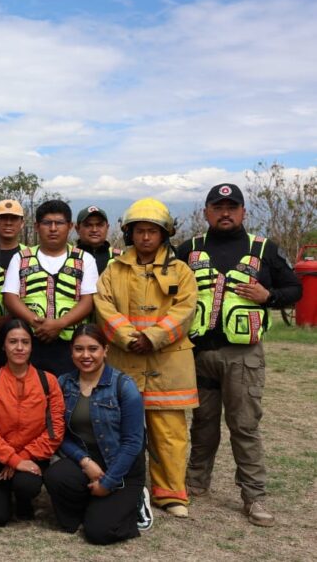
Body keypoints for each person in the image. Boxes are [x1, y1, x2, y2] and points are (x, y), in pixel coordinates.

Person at [177, 183, 301, 527]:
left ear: (244, 212)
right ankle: (196, 482)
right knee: (202, 424)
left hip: (243, 356)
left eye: (232, 207)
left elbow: (295, 289)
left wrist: (268, 296)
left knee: (244, 427)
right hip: (199, 353)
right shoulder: (188, 250)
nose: (225, 213)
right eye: (218, 207)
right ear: (206, 213)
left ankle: (254, 496)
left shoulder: (264, 249)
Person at [94, 198, 197, 518]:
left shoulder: (182, 271)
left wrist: (152, 337)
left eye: (153, 231)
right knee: (120, 429)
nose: (146, 237)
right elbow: (103, 306)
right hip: (125, 360)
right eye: (139, 231)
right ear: (129, 233)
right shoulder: (113, 270)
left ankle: (170, 493)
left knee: (169, 432)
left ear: (164, 233)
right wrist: (127, 337)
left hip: (168, 363)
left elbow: (185, 310)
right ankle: (125, 486)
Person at [45, 324, 146, 544]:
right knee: (56, 476)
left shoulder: (124, 386)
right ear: (71, 351)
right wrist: (84, 461)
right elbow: (59, 434)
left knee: (99, 533)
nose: (86, 355)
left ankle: (136, 503)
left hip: (121, 465)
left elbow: (133, 443)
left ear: (105, 350)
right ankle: (91, 509)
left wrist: (108, 482)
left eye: (93, 349)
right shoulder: (63, 383)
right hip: (86, 459)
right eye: (79, 349)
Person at [0, 319, 65, 527]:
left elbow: (55, 431)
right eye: (13, 342)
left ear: (32, 346)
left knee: (27, 485)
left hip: (32, 454)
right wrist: (12, 460)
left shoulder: (48, 381)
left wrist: (21, 459)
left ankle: (24, 498)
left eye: (25, 342)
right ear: (3, 346)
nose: (19, 347)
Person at [3, 199, 98, 376]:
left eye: (59, 223)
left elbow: (88, 301)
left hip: (72, 344)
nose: (53, 228)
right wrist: (37, 323)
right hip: (30, 342)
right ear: (37, 226)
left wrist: (59, 324)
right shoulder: (21, 258)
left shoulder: (84, 259)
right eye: (47, 223)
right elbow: (10, 296)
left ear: (70, 226)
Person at [0, 199, 26, 372]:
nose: (8, 222)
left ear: (22, 223)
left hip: (19, 330)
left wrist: (7, 318)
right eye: (3, 218)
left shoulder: (29, 256)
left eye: (14, 218)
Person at [76, 206, 122, 274]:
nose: (94, 230)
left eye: (99, 225)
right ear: (77, 229)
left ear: (107, 228)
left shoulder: (121, 258)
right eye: (88, 225)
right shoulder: (66, 256)